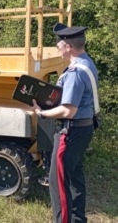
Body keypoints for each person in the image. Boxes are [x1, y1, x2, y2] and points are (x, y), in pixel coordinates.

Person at [32, 23, 98, 223]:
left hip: (70, 132)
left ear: (68, 46)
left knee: (58, 182)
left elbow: (68, 110)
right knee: (74, 177)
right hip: (84, 128)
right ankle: (78, 219)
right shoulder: (87, 63)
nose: (57, 49)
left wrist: (42, 113)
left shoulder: (75, 73)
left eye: (59, 45)